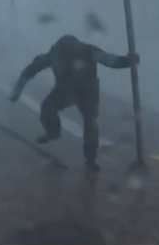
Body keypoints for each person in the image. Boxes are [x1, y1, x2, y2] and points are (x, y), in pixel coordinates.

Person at [9, 34, 140, 171]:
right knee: (48, 109)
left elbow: (110, 61)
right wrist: (17, 90)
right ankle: (53, 132)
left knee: (90, 123)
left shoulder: (87, 51)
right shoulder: (55, 53)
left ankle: (90, 158)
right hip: (65, 90)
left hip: (87, 92)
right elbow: (31, 70)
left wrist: (127, 61)